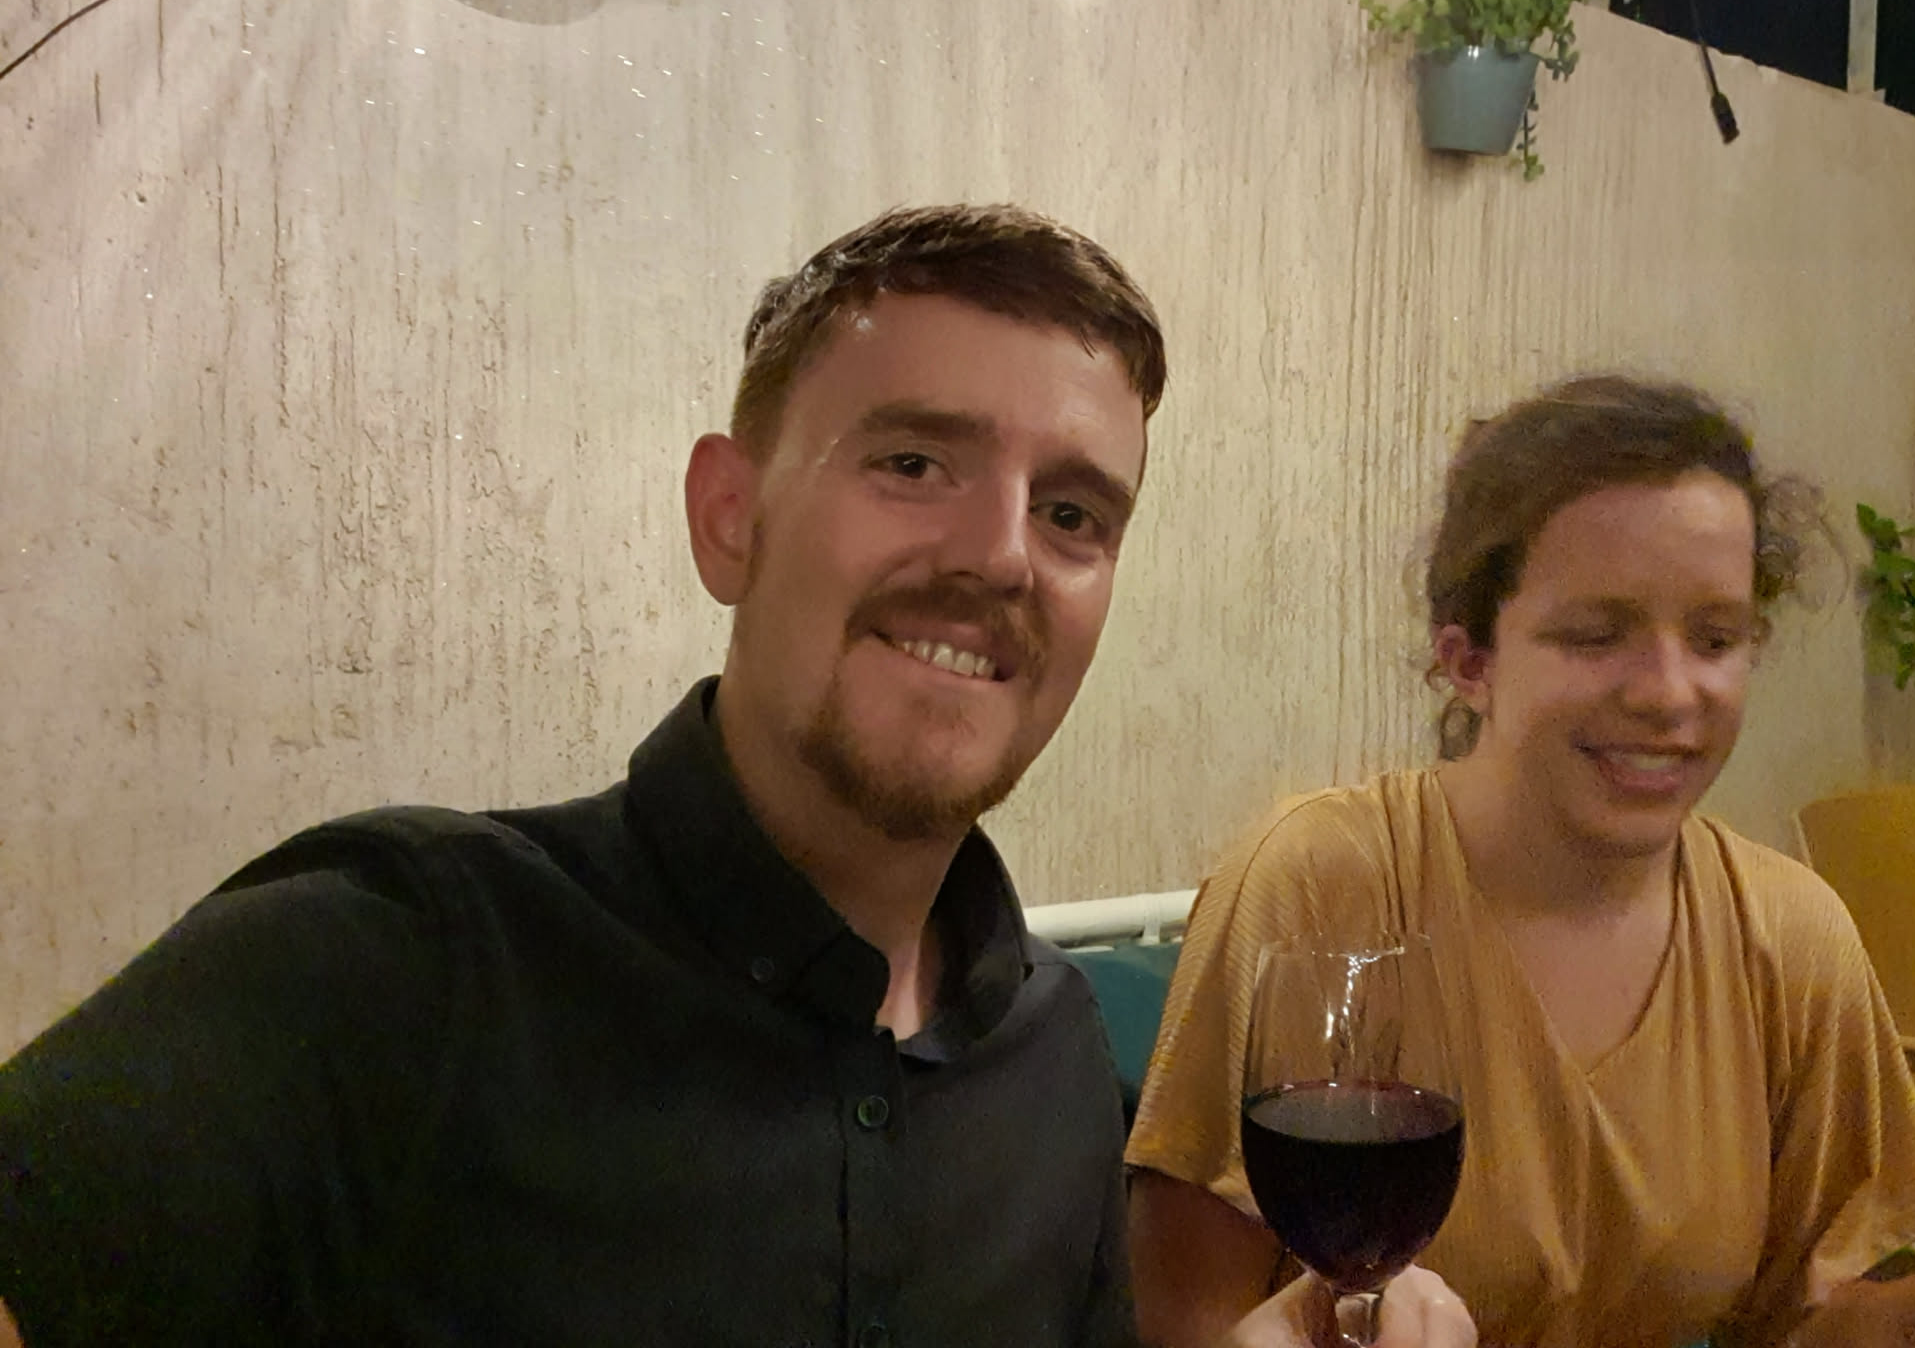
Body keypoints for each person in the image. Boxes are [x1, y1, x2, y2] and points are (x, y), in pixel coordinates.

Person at [0, 203, 1197, 1347]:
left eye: (1072, 515)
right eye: (914, 462)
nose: (1000, 555)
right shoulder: (393, 968)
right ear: (729, 518)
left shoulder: (1057, 1051)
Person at [1125, 376, 1915, 1348]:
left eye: (1714, 639)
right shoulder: (1319, 884)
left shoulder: (1790, 938)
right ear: (1469, 661)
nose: (1670, 694)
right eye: (1596, 635)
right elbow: (1183, 1320)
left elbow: (1806, 1323)